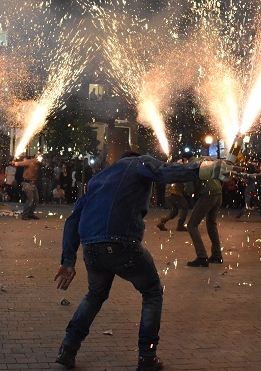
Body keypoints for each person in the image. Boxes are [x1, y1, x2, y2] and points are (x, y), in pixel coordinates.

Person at [53, 152, 229, 371]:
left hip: (91, 247)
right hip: (122, 243)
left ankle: (67, 349)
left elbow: (73, 220)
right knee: (153, 292)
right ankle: (147, 356)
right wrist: (205, 168)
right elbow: (165, 171)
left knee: (95, 295)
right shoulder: (137, 163)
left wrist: (68, 260)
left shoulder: (98, 178)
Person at [186, 157, 225, 267]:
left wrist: (188, 190)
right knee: (211, 223)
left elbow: (190, 188)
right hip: (218, 192)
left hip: (208, 194)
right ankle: (217, 255)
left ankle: (201, 256)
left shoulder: (190, 165)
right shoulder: (204, 160)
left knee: (192, 225)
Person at [11, 155, 41, 219]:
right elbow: (20, 163)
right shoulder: (30, 162)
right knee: (30, 199)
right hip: (27, 183)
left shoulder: (38, 164)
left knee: (36, 199)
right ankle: (25, 214)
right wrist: (14, 163)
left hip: (33, 183)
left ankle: (30, 213)